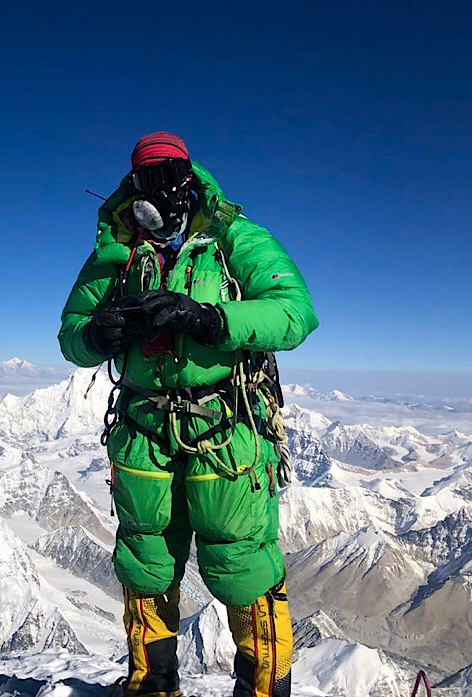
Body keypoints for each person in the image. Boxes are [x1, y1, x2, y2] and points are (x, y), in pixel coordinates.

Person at [58, 132, 318, 697]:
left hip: (224, 427)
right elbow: (71, 335)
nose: (157, 191)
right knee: (146, 561)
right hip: (143, 431)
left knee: (242, 564)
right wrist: (97, 335)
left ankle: (264, 689)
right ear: (132, 188)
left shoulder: (233, 238)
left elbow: (294, 313)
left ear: (189, 179)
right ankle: (152, 686)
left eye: (168, 176)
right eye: (145, 179)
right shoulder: (116, 254)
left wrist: (210, 319)